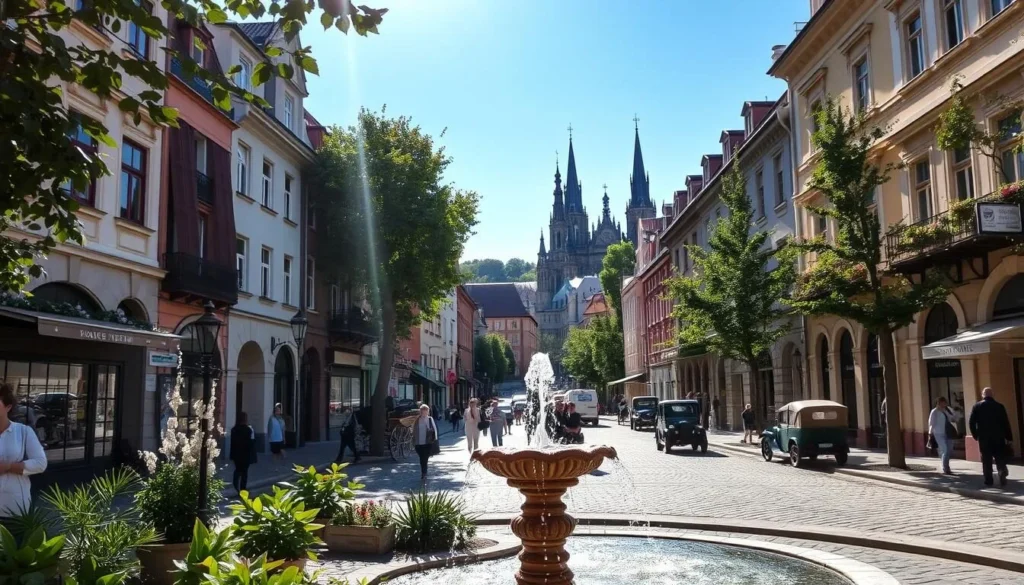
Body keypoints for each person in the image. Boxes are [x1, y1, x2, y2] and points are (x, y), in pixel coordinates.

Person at [0, 382, 47, 517]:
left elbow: (40, 464)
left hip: (15, 509)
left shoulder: (23, 432)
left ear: (8, 407)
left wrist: (8, 466)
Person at [969, 387, 1012, 487]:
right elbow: (1005, 422)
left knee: (986, 459)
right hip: (998, 437)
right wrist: (1009, 437)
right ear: (992, 395)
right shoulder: (999, 406)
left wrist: (976, 435)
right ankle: (1001, 470)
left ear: (983, 395)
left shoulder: (977, 406)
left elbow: (971, 422)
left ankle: (988, 480)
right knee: (999, 456)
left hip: (984, 438)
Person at [928, 397, 957, 475]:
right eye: (943, 402)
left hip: (948, 433)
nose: (944, 404)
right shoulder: (934, 411)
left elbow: (953, 418)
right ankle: (946, 468)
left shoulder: (947, 410)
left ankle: (945, 464)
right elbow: (931, 423)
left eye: (945, 402)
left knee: (949, 450)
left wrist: (952, 412)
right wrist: (930, 434)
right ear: (939, 403)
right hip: (938, 433)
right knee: (945, 450)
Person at [229, 412, 256, 494]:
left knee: (237, 469)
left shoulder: (234, 429)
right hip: (245, 454)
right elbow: (252, 442)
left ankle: (235, 484)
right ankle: (243, 489)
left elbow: (232, 443)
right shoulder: (248, 430)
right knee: (244, 472)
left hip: (236, 453)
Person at [412, 404, 439, 482]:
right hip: (418, 443)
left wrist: (434, 441)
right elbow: (413, 430)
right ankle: (423, 472)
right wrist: (413, 440)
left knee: (425, 458)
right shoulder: (417, 420)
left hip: (427, 443)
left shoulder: (430, 419)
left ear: (428, 412)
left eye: (425, 411)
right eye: (422, 411)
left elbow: (434, 430)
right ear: (420, 411)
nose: (424, 413)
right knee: (421, 458)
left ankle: (424, 473)